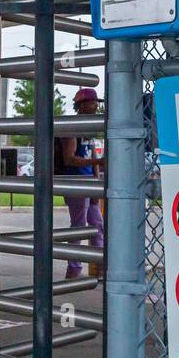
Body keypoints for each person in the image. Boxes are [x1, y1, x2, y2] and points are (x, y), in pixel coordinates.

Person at [56, 87, 105, 279]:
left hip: (89, 182)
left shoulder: (89, 127)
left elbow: (91, 153)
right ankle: (74, 269)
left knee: (97, 224)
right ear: (82, 105)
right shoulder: (72, 128)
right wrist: (98, 163)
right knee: (79, 224)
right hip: (74, 182)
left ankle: (100, 266)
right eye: (93, 102)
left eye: (96, 102)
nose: (96, 106)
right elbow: (70, 159)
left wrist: (96, 180)